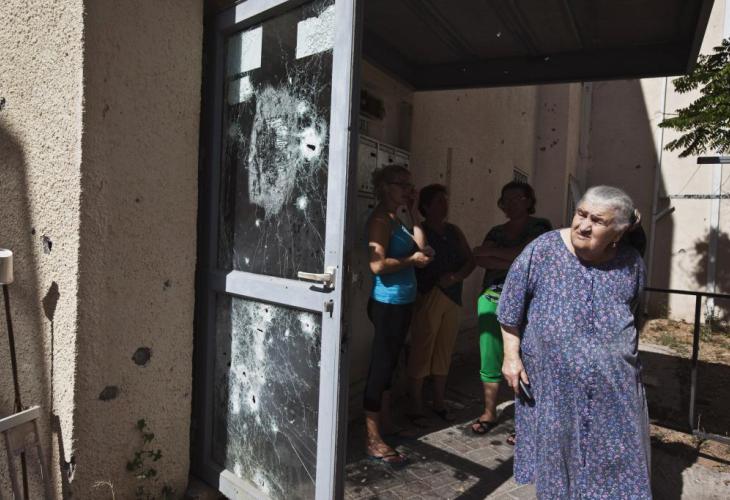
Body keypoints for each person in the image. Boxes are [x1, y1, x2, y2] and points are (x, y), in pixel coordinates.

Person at [499, 185, 650, 499]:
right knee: (557, 460)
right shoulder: (543, 249)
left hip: (614, 385)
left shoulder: (631, 262)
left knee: (614, 457)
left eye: (598, 221)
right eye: (581, 214)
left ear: (618, 232)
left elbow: (634, 310)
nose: (584, 225)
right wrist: (511, 357)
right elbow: (510, 306)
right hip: (553, 386)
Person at [363, 164, 433, 464]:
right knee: (380, 367)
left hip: (402, 302)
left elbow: (423, 246)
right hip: (387, 304)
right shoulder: (380, 220)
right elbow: (377, 265)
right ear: (384, 187)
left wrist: (414, 212)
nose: (408, 189)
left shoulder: (398, 218)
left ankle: (387, 423)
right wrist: (411, 260)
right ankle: (372, 438)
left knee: (390, 364)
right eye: (401, 184)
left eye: (409, 183)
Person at [470, 182, 551, 437]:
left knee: (527, 356)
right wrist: (515, 257)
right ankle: (489, 411)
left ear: (529, 200)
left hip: (530, 301)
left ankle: (525, 420)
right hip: (491, 297)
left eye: (518, 198)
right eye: (507, 199)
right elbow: (479, 258)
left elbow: (531, 256)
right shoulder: (496, 230)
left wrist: (495, 253)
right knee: (490, 355)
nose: (512, 203)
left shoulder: (541, 227)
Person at [407, 184, 475, 423]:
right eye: (438, 201)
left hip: (453, 297)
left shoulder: (454, 231)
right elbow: (419, 257)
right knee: (422, 349)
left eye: (445, 200)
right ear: (426, 207)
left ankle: (438, 400)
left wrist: (456, 277)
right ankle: (415, 404)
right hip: (429, 294)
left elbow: (470, 260)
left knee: (444, 349)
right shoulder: (420, 231)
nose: (444, 205)